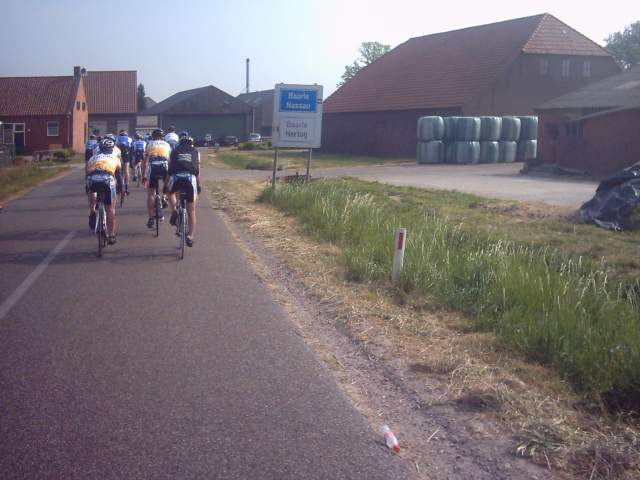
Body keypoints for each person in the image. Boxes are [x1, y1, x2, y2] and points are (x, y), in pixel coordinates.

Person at [85, 137, 123, 245]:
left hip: (93, 180)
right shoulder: (115, 158)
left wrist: (86, 188)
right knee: (110, 209)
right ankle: (111, 235)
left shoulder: (93, 157)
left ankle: (92, 211)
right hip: (107, 181)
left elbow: (87, 173)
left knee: (91, 189)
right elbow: (119, 177)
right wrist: (122, 188)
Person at [168, 132, 201, 247]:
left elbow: (170, 168)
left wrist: (166, 185)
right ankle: (190, 236)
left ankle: (174, 210)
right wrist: (199, 185)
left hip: (176, 177)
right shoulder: (196, 152)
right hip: (190, 179)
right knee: (191, 210)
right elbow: (197, 170)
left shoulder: (174, 151)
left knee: (170, 192)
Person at [143, 128, 171, 228]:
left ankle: (151, 218)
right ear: (162, 137)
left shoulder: (149, 144)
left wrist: (144, 176)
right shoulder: (167, 144)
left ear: (153, 137)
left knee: (151, 194)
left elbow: (145, 162)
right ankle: (164, 197)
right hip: (164, 166)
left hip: (153, 166)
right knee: (168, 185)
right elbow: (170, 159)